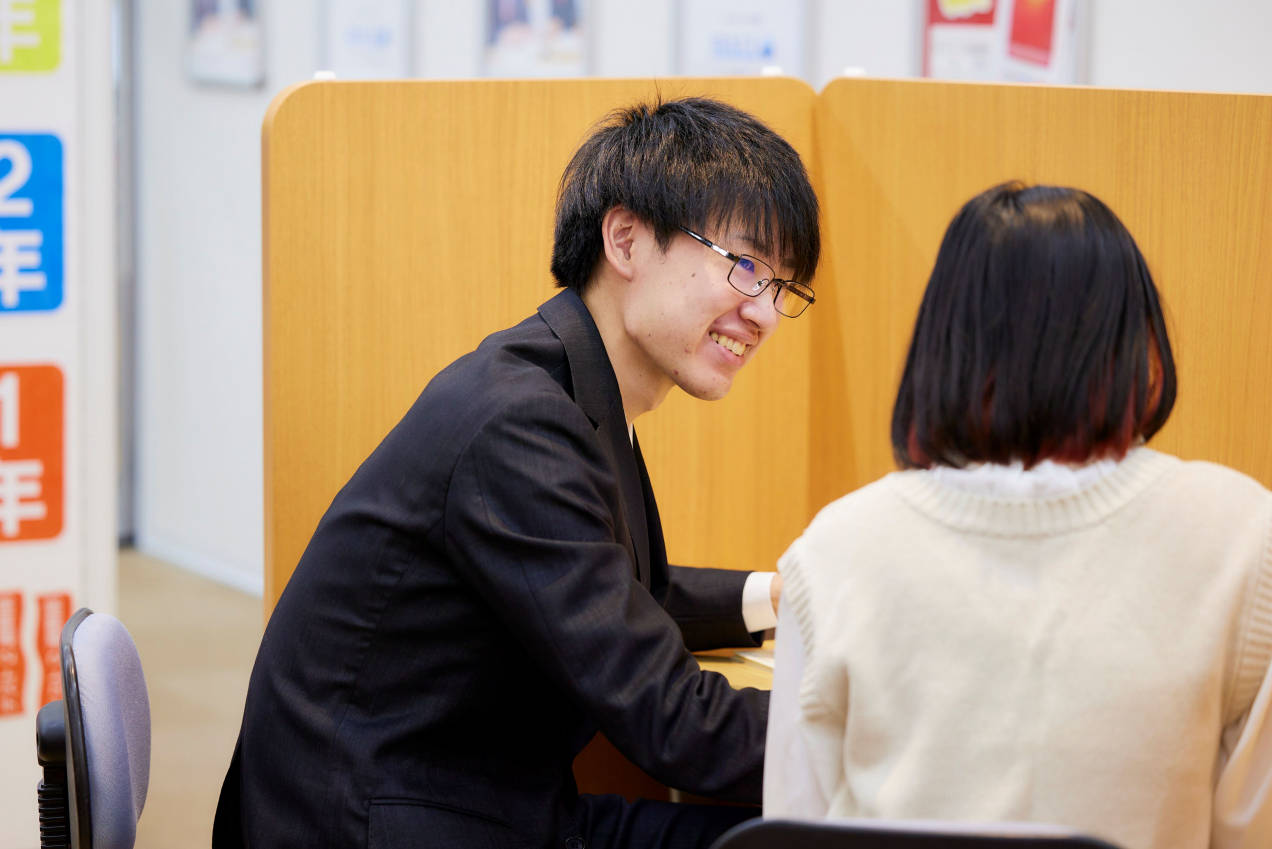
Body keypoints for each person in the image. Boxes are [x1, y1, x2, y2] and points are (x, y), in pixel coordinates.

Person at [213, 96, 820, 849]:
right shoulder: (519, 423)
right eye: (747, 265)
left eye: (783, 287)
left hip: (460, 796)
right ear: (626, 239)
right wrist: (901, 734)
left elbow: (629, 595)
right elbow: (673, 719)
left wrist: (782, 597)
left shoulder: (571, 386)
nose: (763, 312)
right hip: (379, 821)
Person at [763, 182, 1272, 849]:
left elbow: (793, 824)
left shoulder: (837, 547)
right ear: (1132, 341)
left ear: (944, 344)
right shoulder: (1242, 534)